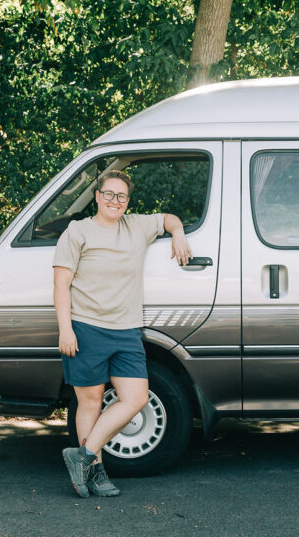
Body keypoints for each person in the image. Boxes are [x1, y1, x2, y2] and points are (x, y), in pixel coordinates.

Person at [52, 170, 191, 498]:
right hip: (86, 327)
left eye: (122, 196)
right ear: (97, 196)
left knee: (136, 398)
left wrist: (179, 233)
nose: (115, 201)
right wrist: (65, 329)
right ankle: (95, 472)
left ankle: (82, 455)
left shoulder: (137, 226)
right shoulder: (78, 232)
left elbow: (169, 218)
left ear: (128, 202)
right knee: (90, 402)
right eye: (109, 194)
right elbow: (61, 284)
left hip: (126, 330)